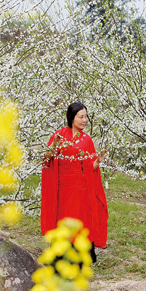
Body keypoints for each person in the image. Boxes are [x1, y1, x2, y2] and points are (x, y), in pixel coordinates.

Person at [41, 102, 108, 263]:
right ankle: (60, 256)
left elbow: (90, 167)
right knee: (62, 220)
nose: (85, 120)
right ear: (72, 117)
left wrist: (98, 161)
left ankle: (81, 257)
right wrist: (55, 145)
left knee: (81, 220)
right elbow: (47, 160)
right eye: (81, 117)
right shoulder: (59, 135)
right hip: (62, 187)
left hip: (81, 188)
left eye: (86, 117)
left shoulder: (86, 140)